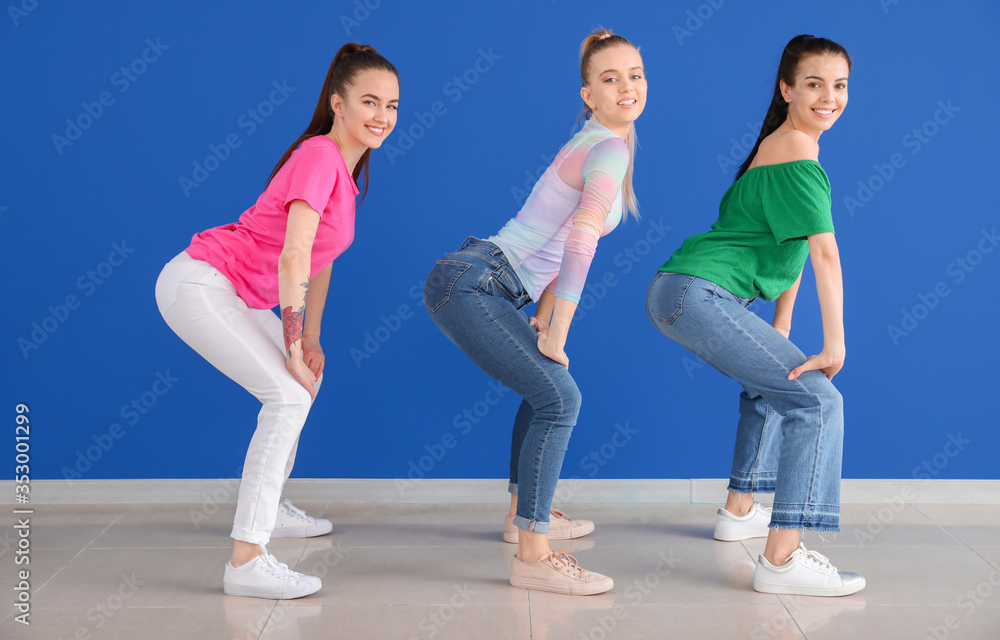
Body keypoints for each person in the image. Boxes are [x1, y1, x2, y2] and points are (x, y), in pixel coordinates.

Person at [154, 43, 399, 599]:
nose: (382, 115)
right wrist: (291, 341)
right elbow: (293, 256)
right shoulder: (318, 156)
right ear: (337, 103)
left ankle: (272, 507)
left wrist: (310, 339)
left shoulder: (349, 171)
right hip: (200, 283)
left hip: (236, 295)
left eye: (392, 105)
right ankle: (246, 561)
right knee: (288, 395)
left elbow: (320, 260)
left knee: (303, 385)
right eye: (368, 101)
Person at [423, 29, 645, 596]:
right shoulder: (608, 148)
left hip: (482, 277)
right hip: (478, 281)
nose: (627, 87)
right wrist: (560, 329)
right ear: (588, 93)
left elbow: (557, 236)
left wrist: (547, 313)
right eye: (610, 78)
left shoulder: (600, 141)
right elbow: (582, 239)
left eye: (635, 75)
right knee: (559, 395)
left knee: (544, 390)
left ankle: (524, 513)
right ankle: (533, 554)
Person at [645, 34, 865, 596]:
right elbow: (823, 252)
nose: (829, 97)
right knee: (818, 400)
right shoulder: (798, 152)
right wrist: (834, 343)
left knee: (774, 385)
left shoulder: (781, 145)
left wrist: (784, 326)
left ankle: (740, 509)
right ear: (787, 88)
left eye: (839, 86)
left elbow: (786, 252)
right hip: (700, 291)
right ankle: (781, 562)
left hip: (682, 290)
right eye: (814, 83)